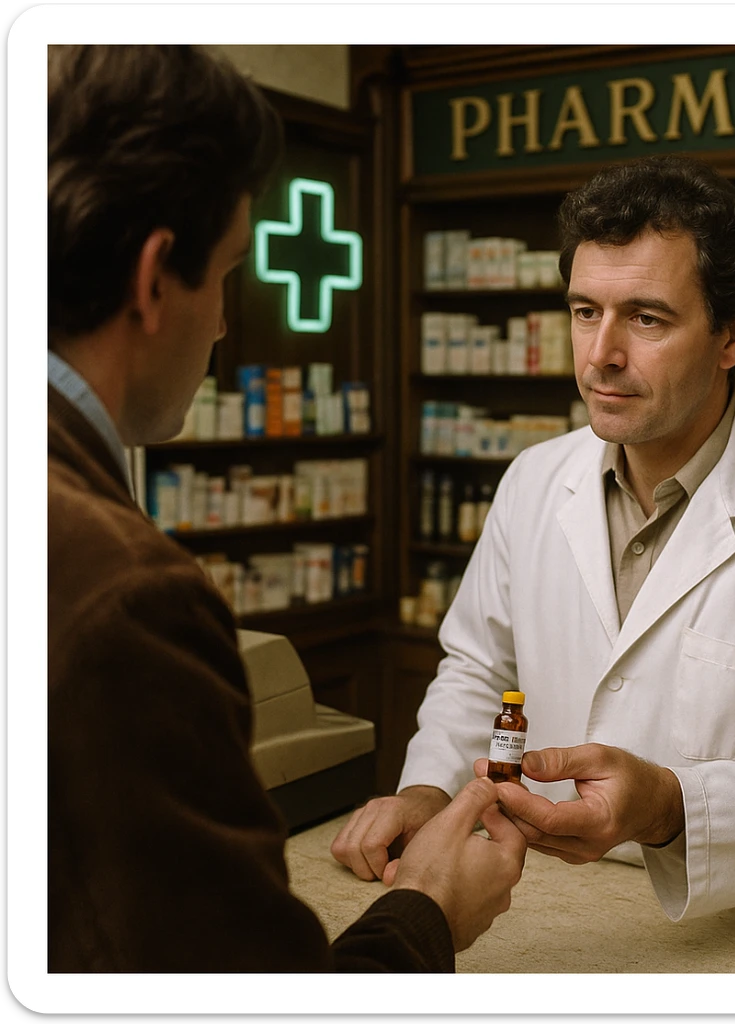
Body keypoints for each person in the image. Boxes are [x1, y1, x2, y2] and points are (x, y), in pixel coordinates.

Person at [332, 154, 735, 923]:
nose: (601, 355)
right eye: (586, 311)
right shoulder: (535, 480)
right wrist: (427, 791)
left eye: (646, 318)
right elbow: (478, 670)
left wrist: (670, 807)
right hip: (533, 902)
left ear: (734, 335)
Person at [47, 43, 525, 973]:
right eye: (226, 274)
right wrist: (429, 909)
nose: (225, 323)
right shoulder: (122, 591)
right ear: (154, 279)